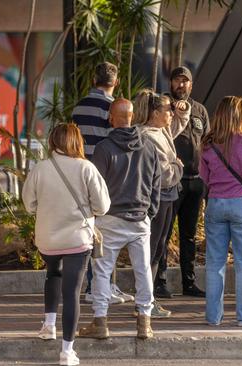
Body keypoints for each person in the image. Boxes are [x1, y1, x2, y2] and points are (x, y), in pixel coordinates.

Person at [23, 123, 110, 366]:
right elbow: (103, 206)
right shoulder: (86, 168)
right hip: (77, 239)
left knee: (53, 274)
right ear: (77, 141)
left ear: (52, 142)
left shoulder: (40, 169)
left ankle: (48, 325)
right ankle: (67, 352)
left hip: (48, 239)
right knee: (71, 292)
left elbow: (29, 204)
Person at [78, 98, 161, 340]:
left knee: (102, 271)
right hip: (139, 218)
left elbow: (95, 187)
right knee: (143, 269)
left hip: (110, 218)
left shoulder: (104, 148)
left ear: (112, 118)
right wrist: (150, 211)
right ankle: (144, 322)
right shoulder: (148, 146)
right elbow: (156, 184)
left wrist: (95, 215)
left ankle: (100, 321)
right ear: (132, 117)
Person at [199, 96, 242, 327]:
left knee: (215, 263)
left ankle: (213, 317)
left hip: (216, 203)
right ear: (241, 116)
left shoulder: (208, 143)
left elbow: (204, 177)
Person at [72, 61, 131, 304]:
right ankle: (98, 286)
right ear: (115, 82)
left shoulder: (78, 108)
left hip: (80, 173)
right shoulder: (112, 109)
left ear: (93, 80)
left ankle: (95, 285)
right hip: (104, 177)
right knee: (104, 234)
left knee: (88, 232)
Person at [133, 89, 190, 316]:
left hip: (166, 196)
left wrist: (182, 112)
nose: (171, 114)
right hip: (159, 197)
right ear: (155, 113)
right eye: (167, 110)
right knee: (153, 249)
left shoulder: (159, 131)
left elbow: (176, 128)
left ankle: (147, 299)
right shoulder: (148, 136)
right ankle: (145, 301)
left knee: (157, 249)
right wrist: (177, 165)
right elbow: (165, 174)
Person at [157, 66, 210, 298]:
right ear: (171, 83)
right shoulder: (162, 108)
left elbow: (207, 143)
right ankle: (160, 282)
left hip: (195, 180)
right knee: (164, 234)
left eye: (185, 81)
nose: (181, 85)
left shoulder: (199, 110)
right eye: (177, 81)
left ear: (191, 84)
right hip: (171, 181)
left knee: (189, 236)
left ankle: (189, 282)